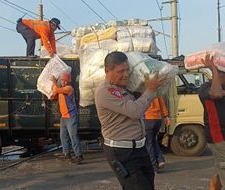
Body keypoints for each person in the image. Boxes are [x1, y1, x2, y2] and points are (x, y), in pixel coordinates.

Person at [95, 51, 166, 190]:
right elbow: (135, 111)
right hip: (122, 151)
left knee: (148, 184)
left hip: (139, 148)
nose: (126, 74)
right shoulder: (105, 91)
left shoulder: (124, 89)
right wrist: (150, 90)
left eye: (128, 70)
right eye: (121, 71)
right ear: (107, 71)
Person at [198, 54, 225, 190]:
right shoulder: (205, 88)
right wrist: (214, 69)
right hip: (218, 137)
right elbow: (216, 94)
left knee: (218, 172)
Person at [50, 72, 83, 164]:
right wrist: (53, 95)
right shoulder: (62, 89)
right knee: (63, 136)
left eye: (65, 81)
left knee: (73, 136)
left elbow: (56, 89)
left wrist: (53, 81)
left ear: (68, 81)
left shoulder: (69, 88)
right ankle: (66, 154)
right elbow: (55, 94)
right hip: (64, 117)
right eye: (62, 80)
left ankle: (79, 156)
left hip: (71, 116)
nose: (63, 82)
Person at [143, 96, 171, 173]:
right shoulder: (157, 90)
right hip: (158, 120)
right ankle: (160, 160)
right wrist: (166, 116)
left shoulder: (142, 91)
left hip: (147, 119)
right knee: (153, 140)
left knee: (149, 144)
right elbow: (162, 104)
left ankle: (153, 166)